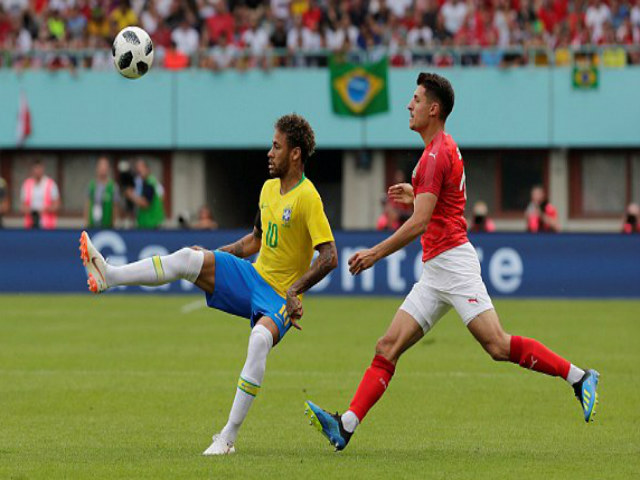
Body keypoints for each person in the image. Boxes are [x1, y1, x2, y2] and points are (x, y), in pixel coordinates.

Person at [304, 73, 599, 451]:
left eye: (415, 99)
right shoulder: (442, 149)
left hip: (455, 266)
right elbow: (439, 204)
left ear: (434, 108)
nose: (409, 106)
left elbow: (421, 222)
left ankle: (579, 376)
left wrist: (376, 253)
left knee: (497, 345)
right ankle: (345, 426)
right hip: (435, 270)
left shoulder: (433, 155)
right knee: (387, 346)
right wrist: (417, 194)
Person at [79, 114, 338, 455]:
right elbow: (256, 241)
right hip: (253, 277)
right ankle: (110, 275)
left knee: (260, 339)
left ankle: (227, 438)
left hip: (279, 296)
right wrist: (215, 255)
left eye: (276, 146)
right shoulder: (267, 189)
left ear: (295, 154)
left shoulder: (308, 198)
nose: (269, 152)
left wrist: (294, 290)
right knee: (189, 257)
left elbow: (330, 255)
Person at [124, 159, 165, 229]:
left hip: (150, 224)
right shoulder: (150, 182)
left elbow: (145, 203)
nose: (139, 170)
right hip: (153, 222)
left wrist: (131, 195)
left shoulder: (149, 183)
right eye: (137, 168)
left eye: (141, 167)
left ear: (147, 169)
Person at [20, 160, 60, 229]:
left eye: (39, 169)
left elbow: (57, 205)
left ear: (43, 169)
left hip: (48, 226)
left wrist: (45, 209)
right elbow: (23, 206)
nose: (37, 171)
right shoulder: (27, 184)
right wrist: (32, 211)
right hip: (30, 225)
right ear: (32, 170)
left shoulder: (50, 184)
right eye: (36, 169)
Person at [85, 156, 119, 229]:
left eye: (105, 167)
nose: (103, 169)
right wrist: (86, 223)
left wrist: (114, 224)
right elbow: (87, 204)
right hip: (92, 225)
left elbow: (115, 207)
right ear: (97, 168)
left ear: (108, 169)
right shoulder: (91, 185)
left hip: (107, 225)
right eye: (101, 166)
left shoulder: (113, 186)